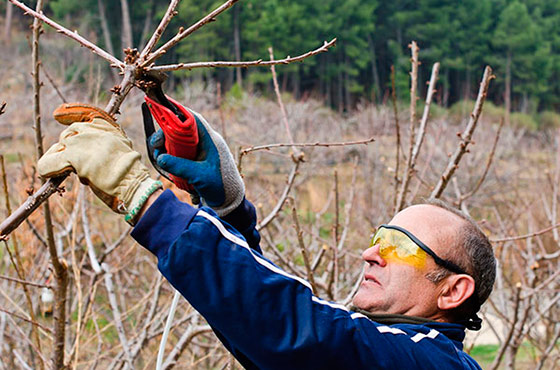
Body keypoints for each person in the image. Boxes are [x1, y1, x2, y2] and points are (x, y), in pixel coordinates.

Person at [38, 100, 496, 369]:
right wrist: (227, 208)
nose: (369, 253)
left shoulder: (431, 363)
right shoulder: (391, 348)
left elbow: (298, 329)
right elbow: (267, 327)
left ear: (454, 289)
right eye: (379, 236)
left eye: (398, 247)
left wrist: (143, 197)